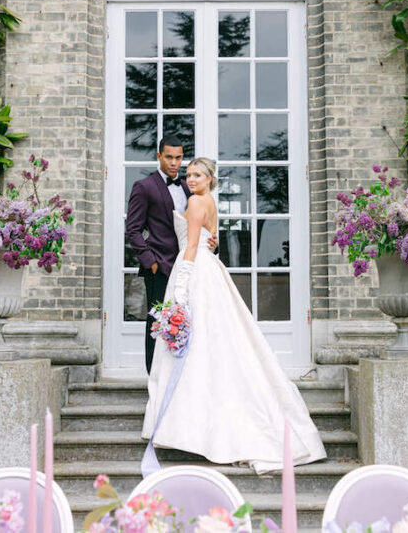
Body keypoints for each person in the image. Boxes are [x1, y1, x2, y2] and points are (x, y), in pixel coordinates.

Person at [141, 157, 326, 473]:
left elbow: (192, 246)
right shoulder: (207, 201)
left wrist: (182, 287)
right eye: (189, 175)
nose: (192, 179)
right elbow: (211, 245)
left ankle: (196, 428)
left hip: (195, 272)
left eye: (198, 175)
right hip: (207, 267)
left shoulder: (199, 202)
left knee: (199, 347)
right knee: (211, 345)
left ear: (210, 178)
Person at [125, 136, 216, 374]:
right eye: (169, 157)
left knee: (189, 321)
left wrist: (212, 243)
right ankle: (153, 377)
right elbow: (133, 230)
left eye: (178, 157)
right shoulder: (144, 187)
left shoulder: (190, 187)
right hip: (161, 267)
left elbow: (200, 225)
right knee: (158, 323)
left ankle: (181, 378)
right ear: (159, 156)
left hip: (190, 265)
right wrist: (150, 262)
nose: (174, 163)